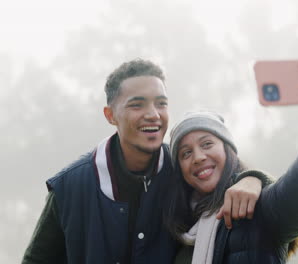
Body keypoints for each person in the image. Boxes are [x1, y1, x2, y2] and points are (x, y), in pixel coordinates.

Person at [21, 59, 269, 263]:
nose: (153, 115)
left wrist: (254, 180)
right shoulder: (71, 186)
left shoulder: (182, 168)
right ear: (110, 115)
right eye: (137, 105)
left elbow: (226, 177)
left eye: (161, 103)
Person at [164, 50, 298, 263]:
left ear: (229, 150)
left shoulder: (257, 208)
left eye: (207, 144)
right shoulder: (177, 233)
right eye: (186, 153)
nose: (198, 157)